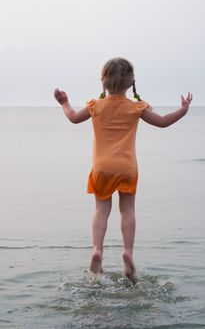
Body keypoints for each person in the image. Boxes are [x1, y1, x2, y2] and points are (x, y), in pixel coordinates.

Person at [54, 57, 192, 278]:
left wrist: (64, 102)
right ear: (131, 83)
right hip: (127, 167)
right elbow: (164, 121)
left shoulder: (94, 106)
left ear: (104, 82)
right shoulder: (137, 107)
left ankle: (97, 250)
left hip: (102, 168)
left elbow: (72, 117)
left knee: (101, 210)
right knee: (127, 210)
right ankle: (127, 253)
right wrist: (183, 110)